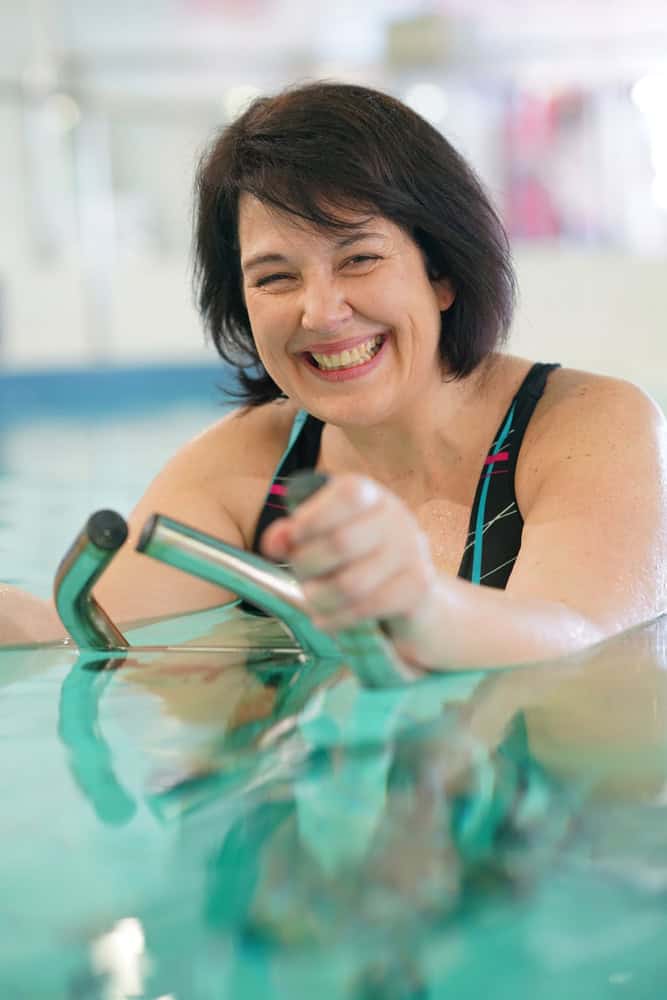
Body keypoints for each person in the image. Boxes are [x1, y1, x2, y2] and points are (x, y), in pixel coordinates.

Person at [6, 81, 667, 668]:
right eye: (275, 277)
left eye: (358, 259)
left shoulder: (589, 424)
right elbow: (99, 641)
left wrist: (419, 606)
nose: (320, 312)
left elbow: (584, 643)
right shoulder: (244, 463)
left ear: (440, 270)